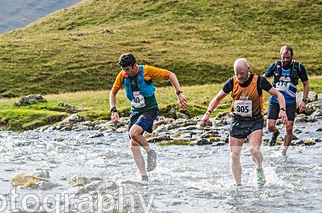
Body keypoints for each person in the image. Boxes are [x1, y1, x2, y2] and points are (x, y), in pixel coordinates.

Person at [200, 58, 286, 186]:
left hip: (255, 120)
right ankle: (238, 186)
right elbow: (218, 98)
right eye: (237, 73)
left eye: (242, 73)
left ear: (248, 69)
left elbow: (278, 95)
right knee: (234, 155)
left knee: (254, 150)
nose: (239, 76)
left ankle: (259, 167)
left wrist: (282, 110)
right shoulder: (231, 82)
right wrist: (207, 114)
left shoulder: (259, 81)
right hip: (237, 121)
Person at [110, 53, 188, 181]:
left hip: (150, 109)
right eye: (123, 70)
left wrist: (179, 93)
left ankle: (151, 153)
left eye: (128, 70)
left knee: (134, 133)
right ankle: (144, 177)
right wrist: (113, 110)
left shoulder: (146, 70)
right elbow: (113, 93)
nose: (126, 73)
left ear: (134, 65)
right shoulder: (122, 75)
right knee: (133, 147)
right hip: (135, 111)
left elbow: (170, 75)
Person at [263, 45, 310, 157]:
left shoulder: (298, 67)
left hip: (290, 102)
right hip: (275, 100)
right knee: (269, 126)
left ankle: (284, 152)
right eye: (283, 57)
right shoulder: (275, 66)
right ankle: (275, 133)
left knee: (289, 127)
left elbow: (306, 84)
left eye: (287, 58)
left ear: (291, 56)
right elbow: (265, 78)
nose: (285, 60)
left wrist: (304, 101)